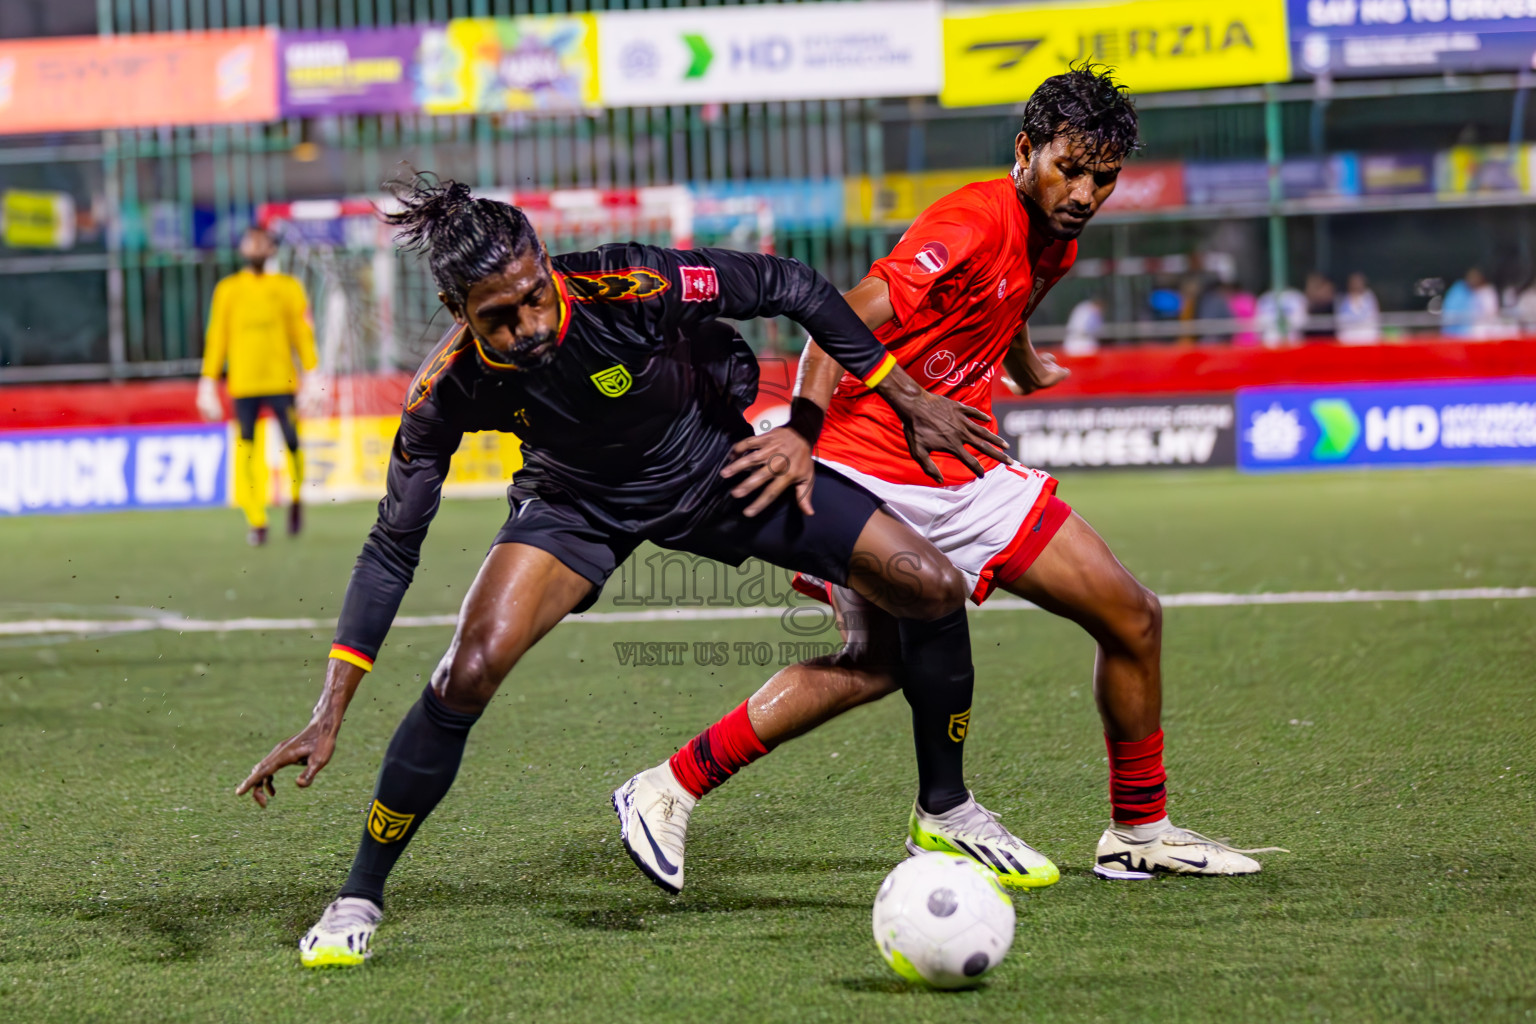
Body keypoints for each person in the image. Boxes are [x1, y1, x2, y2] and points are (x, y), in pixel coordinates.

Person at [234, 173, 1015, 968]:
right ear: (456, 314)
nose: (529, 324)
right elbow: (393, 546)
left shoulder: (630, 282)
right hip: (575, 507)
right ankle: (359, 894)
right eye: (498, 318)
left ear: (544, 261)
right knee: (465, 671)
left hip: (718, 469)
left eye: (535, 295)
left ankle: (943, 805)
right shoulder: (445, 389)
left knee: (929, 583)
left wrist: (862, 407)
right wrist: (331, 708)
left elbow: (793, 286)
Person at [615, 65, 1283, 895]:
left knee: (1125, 619)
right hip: (872, 462)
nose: (1083, 192)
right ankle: (670, 786)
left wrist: (1028, 363)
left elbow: (1008, 303)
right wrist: (804, 434)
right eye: (1068, 169)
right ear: (1025, 152)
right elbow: (838, 320)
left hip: (957, 463)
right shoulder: (970, 219)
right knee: (893, 660)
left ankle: (1138, 830)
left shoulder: (1057, 237)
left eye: (1102, 178)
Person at [198, 226, 318, 545]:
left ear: (271, 249)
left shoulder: (288, 287)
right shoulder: (228, 289)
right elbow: (217, 337)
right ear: (242, 250)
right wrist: (207, 381)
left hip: (281, 379)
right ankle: (256, 518)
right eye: (250, 243)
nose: (255, 249)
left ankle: (295, 498)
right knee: (246, 449)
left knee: (293, 442)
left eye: (261, 243)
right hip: (244, 383)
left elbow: (301, 333)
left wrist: (313, 372)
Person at [1335, 272, 1381, 344]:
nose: (1356, 284)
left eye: (1358, 282)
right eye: (1354, 282)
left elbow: (1374, 318)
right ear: (1349, 284)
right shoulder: (1342, 299)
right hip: (1348, 339)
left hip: (1367, 338)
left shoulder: (1369, 297)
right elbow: (1340, 321)